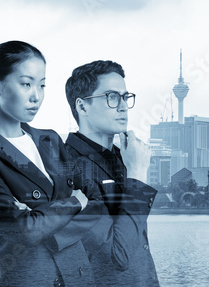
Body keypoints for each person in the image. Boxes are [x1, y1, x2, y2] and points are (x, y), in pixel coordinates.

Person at [0, 40, 99, 286]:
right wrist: (74, 201)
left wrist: (46, 218)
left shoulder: (50, 140)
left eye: (42, 85)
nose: (36, 96)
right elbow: (24, 230)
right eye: (26, 84)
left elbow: (96, 204)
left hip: (79, 276)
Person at [64, 60, 160, 286]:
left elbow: (138, 245)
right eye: (112, 97)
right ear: (82, 106)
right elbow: (117, 258)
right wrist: (136, 175)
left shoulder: (125, 157)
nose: (123, 106)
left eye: (125, 97)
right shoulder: (67, 166)